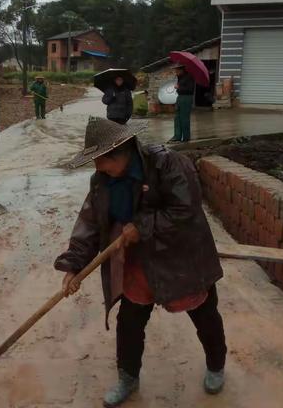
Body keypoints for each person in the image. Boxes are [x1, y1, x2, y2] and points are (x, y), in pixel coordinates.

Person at [55, 117, 227, 408]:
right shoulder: (101, 181)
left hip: (181, 254)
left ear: (120, 153)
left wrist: (142, 225)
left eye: (100, 160)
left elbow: (185, 209)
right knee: (130, 321)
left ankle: (216, 365)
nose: (97, 168)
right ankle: (128, 376)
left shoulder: (167, 164)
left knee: (204, 314)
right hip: (138, 261)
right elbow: (90, 223)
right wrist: (73, 264)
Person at [170, 64, 195, 143]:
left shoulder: (189, 77)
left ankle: (186, 137)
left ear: (182, 70)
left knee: (184, 118)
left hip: (186, 98)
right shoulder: (180, 78)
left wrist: (179, 87)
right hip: (180, 97)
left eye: (177, 71)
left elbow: (190, 89)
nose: (176, 72)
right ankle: (177, 136)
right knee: (177, 118)